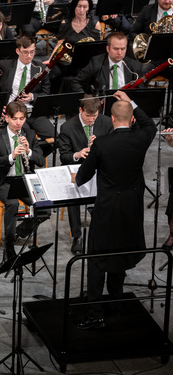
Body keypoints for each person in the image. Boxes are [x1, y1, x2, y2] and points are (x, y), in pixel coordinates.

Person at [73, 91, 156, 329]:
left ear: (111, 118)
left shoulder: (102, 143)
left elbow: (83, 176)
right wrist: (131, 102)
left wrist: (78, 174)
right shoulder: (141, 138)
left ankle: (95, 312)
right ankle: (116, 304)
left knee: (97, 260)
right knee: (120, 254)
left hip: (107, 209)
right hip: (131, 208)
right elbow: (150, 125)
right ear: (131, 119)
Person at [0, 101, 47, 266]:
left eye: (21, 119)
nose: (18, 123)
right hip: (6, 182)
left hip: (26, 180)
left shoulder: (30, 134)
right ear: (7, 118)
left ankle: (17, 232)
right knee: (12, 204)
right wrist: (12, 156)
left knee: (45, 207)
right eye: (14, 119)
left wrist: (29, 151)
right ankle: (9, 248)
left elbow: (41, 161)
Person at [58, 95, 113, 254]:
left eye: (94, 116)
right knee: (72, 196)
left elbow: (113, 147)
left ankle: (100, 232)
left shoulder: (107, 122)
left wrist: (99, 147)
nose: (91, 119)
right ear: (80, 110)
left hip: (100, 169)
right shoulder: (67, 127)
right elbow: (64, 156)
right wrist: (77, 154)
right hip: (77, 168)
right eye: (88, 116)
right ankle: (77, 236)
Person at [0, 36, 55, 140]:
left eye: (32, 52)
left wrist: (32, 96)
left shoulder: (41, 68)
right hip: (13, 113)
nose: (29, 56)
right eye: (25, 52)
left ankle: (37, 151)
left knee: (55, 136)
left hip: (33, 113)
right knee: (26, 137)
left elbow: (46, 94)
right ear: (18, 51)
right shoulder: (4, 65)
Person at [43, 0, 101, 93]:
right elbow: (59, 44)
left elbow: (98, 49)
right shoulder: (65, 23)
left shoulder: (95, 24)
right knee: (50, 72)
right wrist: (50, 60)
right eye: (79, 6)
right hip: (67, 62)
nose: (81, 10)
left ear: (89, 8)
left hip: (86, 63)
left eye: (85, 7)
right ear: (74, 6)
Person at [70, 32, 144, 94]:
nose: (120, 53)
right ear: (108, 49)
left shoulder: (135, 65)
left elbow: (141, 91)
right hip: (102, 102)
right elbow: (76, 82)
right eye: (116, 49)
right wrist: (86, 100)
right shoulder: (96, 62)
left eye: (123, 49)